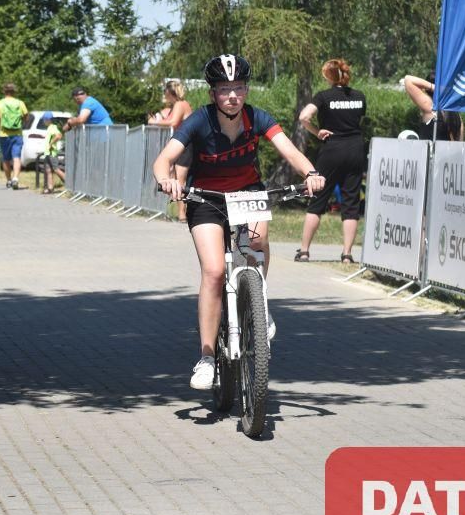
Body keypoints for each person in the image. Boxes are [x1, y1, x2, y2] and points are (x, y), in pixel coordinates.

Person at [152, 54, 325, 390]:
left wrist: (311, 173)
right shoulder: (199, 120)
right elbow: (164, 160)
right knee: (214, 271)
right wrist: (167, 180)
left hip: (247, 192)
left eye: (239, 88)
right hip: (206, 198)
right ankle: (206, 357)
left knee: (257, 241)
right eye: (224, 89)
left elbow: (289, 150)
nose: (232, 95)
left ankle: (258, 303)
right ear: (212, 93)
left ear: (246, 90)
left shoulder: (257, 117)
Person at [296, 58, 367, 264]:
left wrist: (317, 131)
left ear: (328, 76)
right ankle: (347, 254)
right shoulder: (359, 96)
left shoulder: (323, 97)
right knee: (351, 202)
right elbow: (358, 120)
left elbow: (304, 117)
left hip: (332, 149)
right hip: (355, 150)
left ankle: (304, 251)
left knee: (318, 199)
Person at [148, 79, 195, 221]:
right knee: (176, 178)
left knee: (180, 180)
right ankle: (182, 212)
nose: (164, 95)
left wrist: (154, 122)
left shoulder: (180, 104)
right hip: (182, 145)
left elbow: (173, 122)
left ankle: (183, 213)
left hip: (186, 146)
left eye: (165, 92)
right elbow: (169, 117)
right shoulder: (178, 105)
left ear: (170, 92)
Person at [402, 72, 464, 141]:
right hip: (450, 148)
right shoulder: (456, 113)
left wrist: (433, 87)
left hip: (430, 148)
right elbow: (459, 141)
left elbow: (408, 79)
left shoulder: (430, 107)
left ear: (426, 89)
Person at [0, 83, 28, 189]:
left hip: (4, 135)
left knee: (6, 159)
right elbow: (26, 116)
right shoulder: (20, 103)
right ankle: (15, 178)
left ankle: (8, 180)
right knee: (16, 157)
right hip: (17, 134)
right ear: (14, 92)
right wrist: (22, 123)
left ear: (4, 91)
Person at [40, 112, 65, 194]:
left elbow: (59, 135)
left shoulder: (53, 127)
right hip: (47, 153)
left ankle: (69, 183)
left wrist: (51, 143)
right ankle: (50, 188)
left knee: (56, 169)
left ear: (47, 120)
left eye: (44, 120)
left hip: (52, 152)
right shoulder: (49, 128)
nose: (43, 122)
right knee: (48, 170)